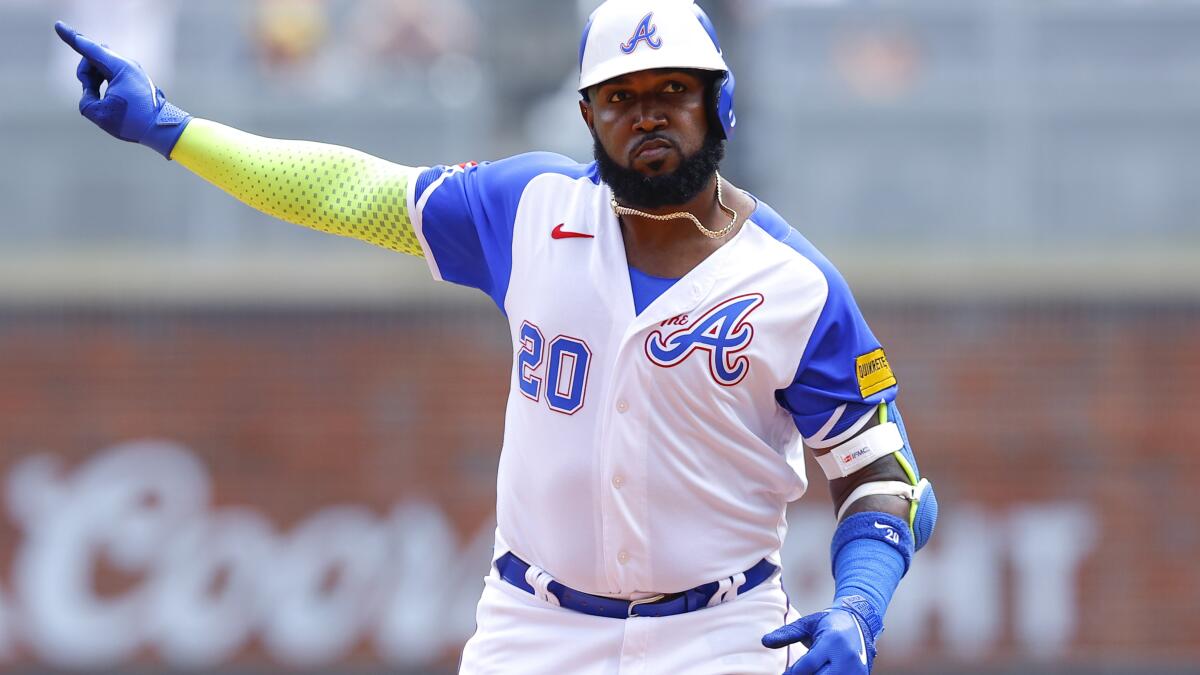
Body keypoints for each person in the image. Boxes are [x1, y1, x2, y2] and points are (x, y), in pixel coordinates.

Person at [54, 1, 937, 672]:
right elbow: (352, 191)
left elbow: (881, 474)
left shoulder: (795, 283)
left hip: (721, 632)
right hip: (534, 626)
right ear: (588, 118)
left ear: (721, 106)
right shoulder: (528, 209)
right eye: (621, 97)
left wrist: (859, 605)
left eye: (675, 91)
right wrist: (176, 131)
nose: (649, 115)